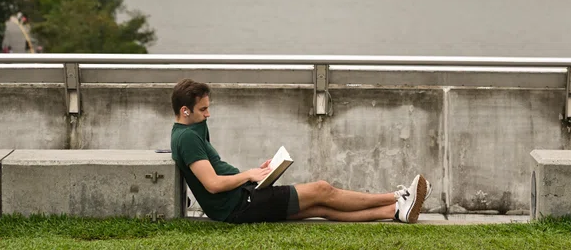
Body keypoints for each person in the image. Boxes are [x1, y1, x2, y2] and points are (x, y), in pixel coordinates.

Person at [170, 78, 430, 224]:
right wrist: (249, 175)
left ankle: (395, 211)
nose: (208, 113)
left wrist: (259, 172)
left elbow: (216, 173)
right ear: (185, 111)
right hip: (239, 204)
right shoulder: (187, 139)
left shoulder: (195, 128)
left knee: (321, 208)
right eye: (203, 109)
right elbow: (212, 184)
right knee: (322, 189)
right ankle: (397, 196)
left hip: (240, 199)